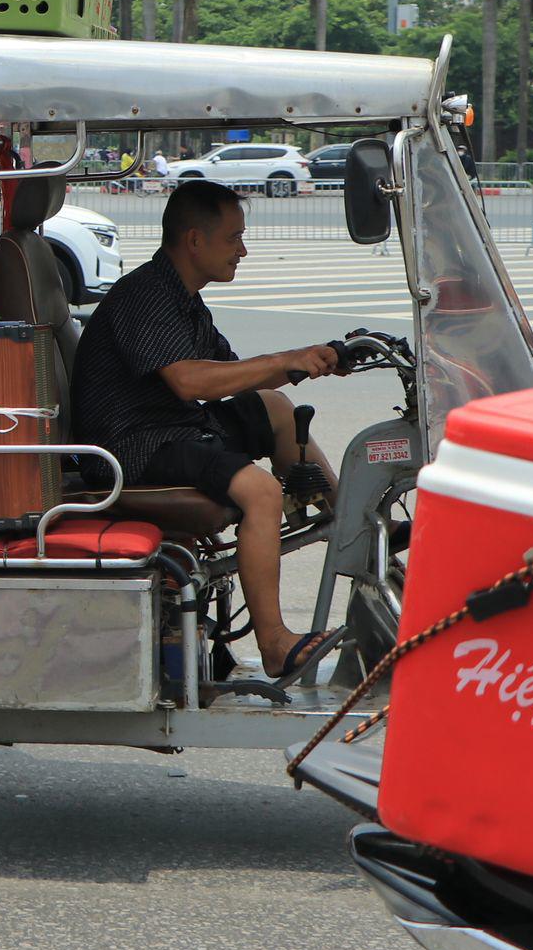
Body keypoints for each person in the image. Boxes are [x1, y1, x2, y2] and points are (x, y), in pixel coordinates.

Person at [71, 180, 340, 680]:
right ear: (195, 240)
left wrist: (311, 361)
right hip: (135, 445)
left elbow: (236, 378)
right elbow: (190, 381)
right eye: (233, 237)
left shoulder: (185, 297)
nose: (243, 249)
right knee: (260, 493)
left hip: (175, 428)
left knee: (276, 406)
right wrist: (284, 358)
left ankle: (345, 526)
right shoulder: (147, 294)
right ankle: (276, 644)